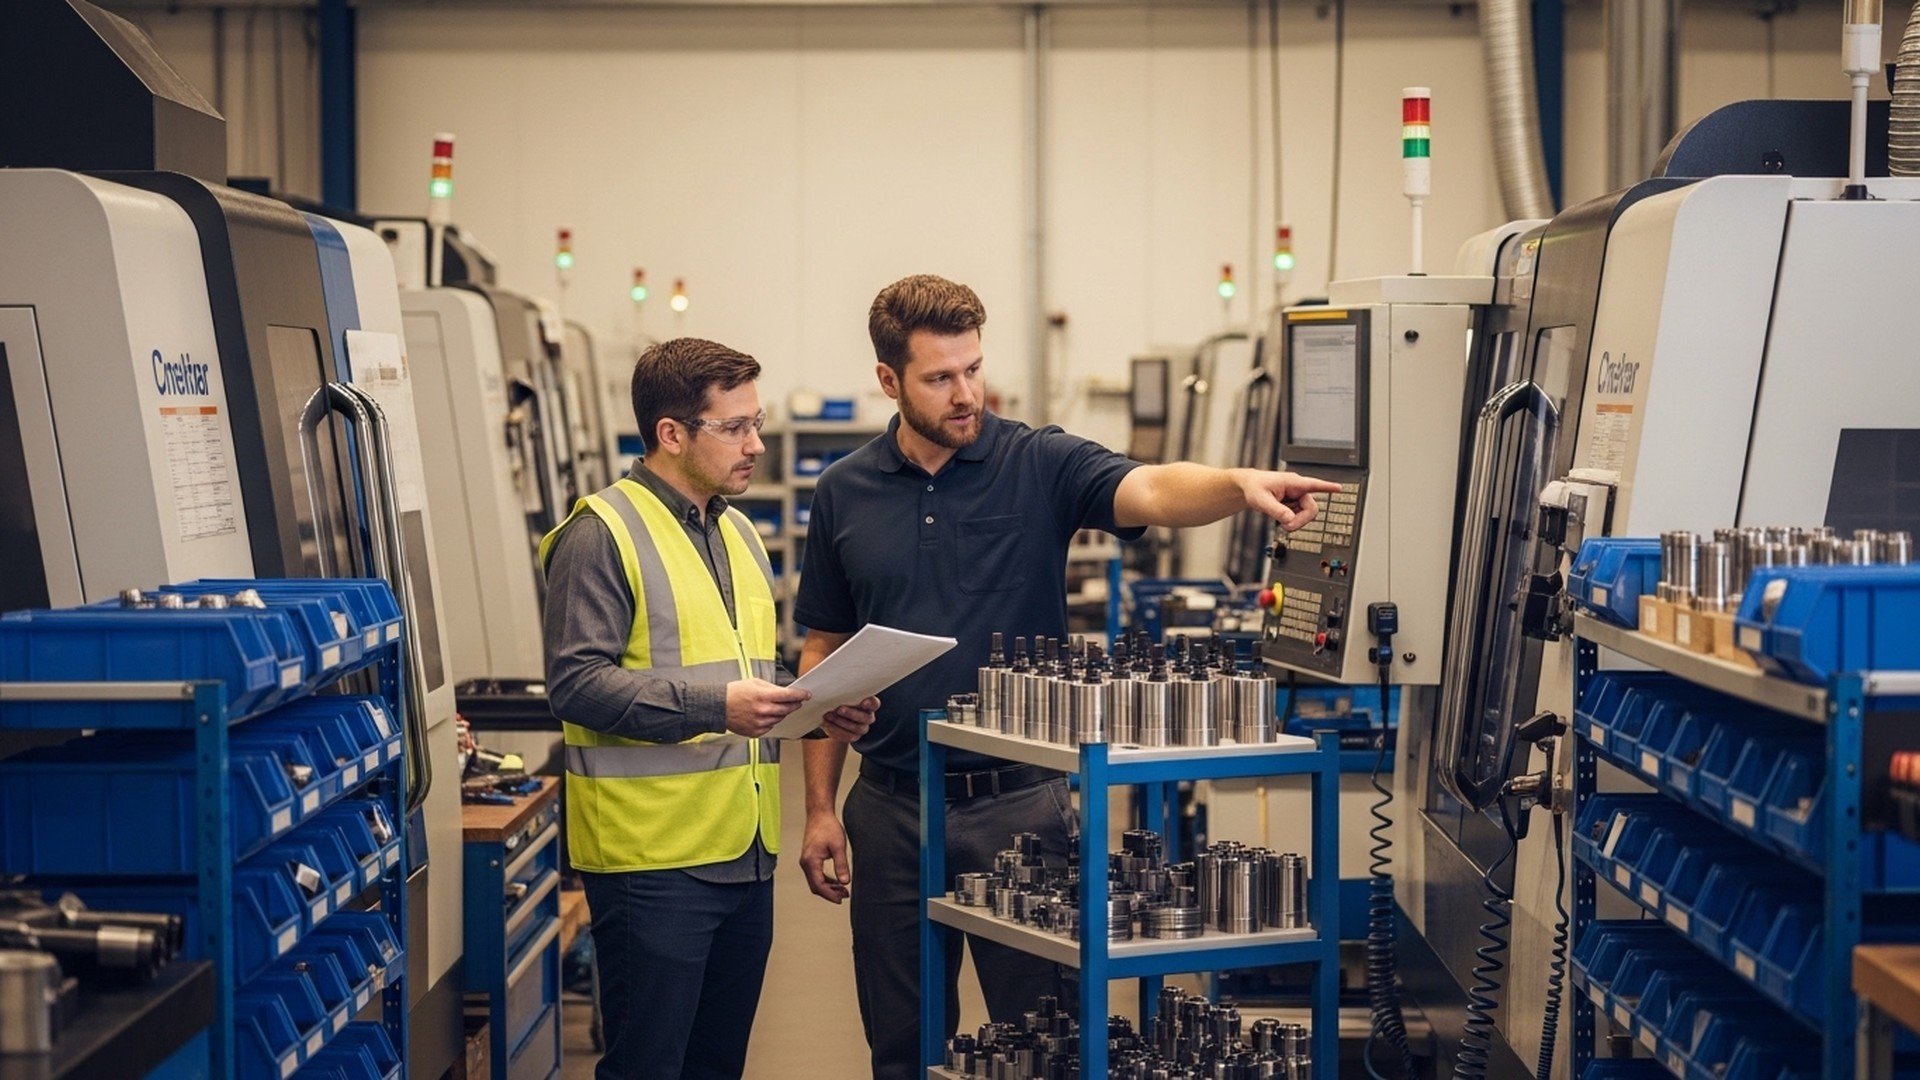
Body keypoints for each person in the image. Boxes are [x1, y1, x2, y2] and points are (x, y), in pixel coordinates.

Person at [793, 275, 1339, 1079]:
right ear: (889, 381)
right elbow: (824, 650)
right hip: (891, 807)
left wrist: (1237, 486)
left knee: (1049, 1042)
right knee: (902, 1047)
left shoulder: (1036, 462)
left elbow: (1148, 485)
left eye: (973, 369)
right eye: (940, 377)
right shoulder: (845, 491)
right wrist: (817, 808)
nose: (965, 392)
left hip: (1020, 806)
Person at [542, 337, 880, 1080]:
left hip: (744, 853)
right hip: (652, 860)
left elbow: (750, 674)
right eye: (736, 427)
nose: (756, 444)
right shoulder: (601, 534)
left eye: (756, 423)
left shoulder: (737, 533)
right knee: (648, 1067)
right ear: (672, 434)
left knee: (716, 1066)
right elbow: (575, 683)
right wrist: (714, 706)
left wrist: (822, 709)